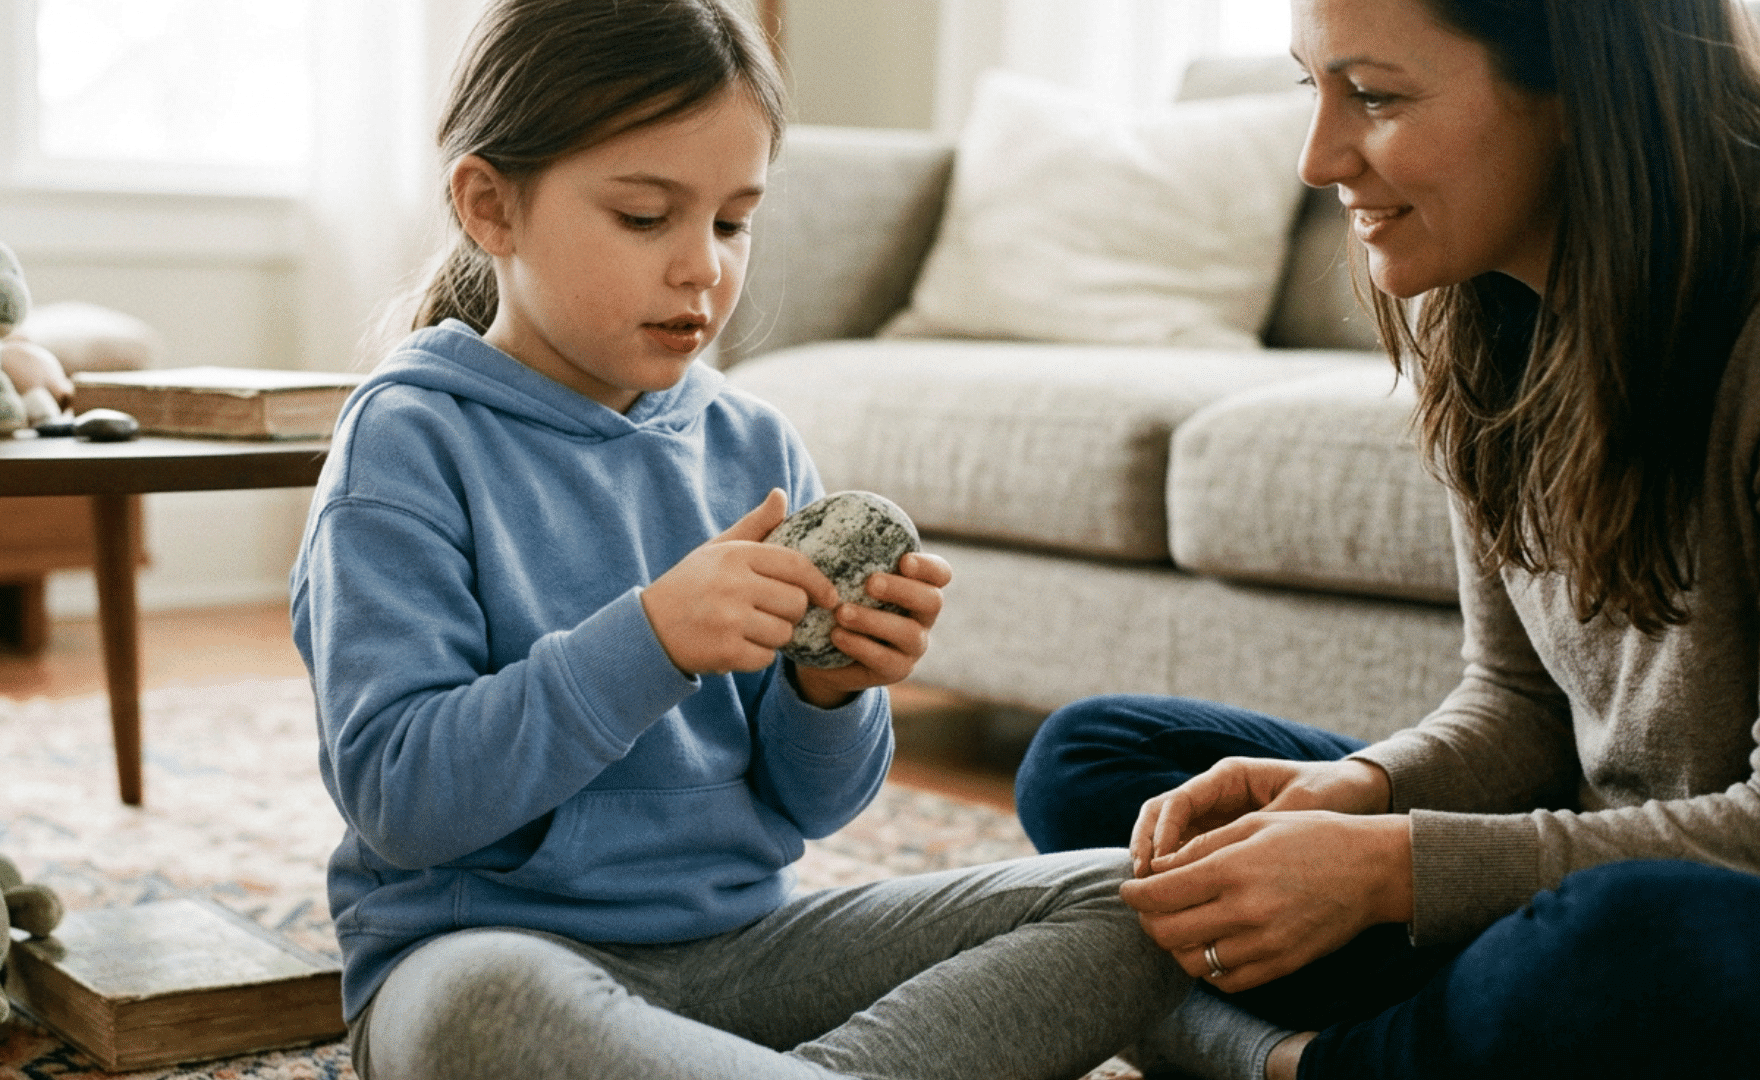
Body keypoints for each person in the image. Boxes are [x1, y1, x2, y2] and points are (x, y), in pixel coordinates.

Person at [289, 2, 1189, 1078]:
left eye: (730, 221)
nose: (702, 269)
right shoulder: (409, 440)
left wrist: (833, 692)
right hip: (494, 959)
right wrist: (651, 641)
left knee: (1151, 901)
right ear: (491, 207)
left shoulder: (753, 441)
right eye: (643, 217)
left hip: (748, 961)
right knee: (476, 1015)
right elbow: (403, 799)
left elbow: (816, 805)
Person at [1014, 1, 1760, 1078]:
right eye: (1308, 89)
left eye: (1374, 96)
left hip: (1696, 914)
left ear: (1586, 95)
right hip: (1571, 882)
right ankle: (1429, 1041)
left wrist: (1391, 871)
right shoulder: (1492, 321)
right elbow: (1518, 703)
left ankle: (1292, 1063)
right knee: (1096, 759)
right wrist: (1363, 791)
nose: (1318, 159)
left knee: (1628, 942)